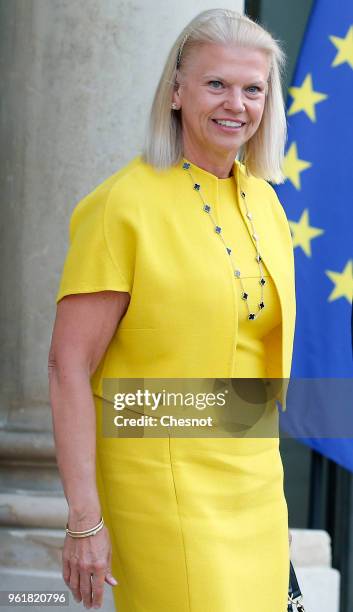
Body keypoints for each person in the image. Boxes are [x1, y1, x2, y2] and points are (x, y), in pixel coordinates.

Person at [48, 8, 296, 612]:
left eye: (252, 88)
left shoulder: (266, 203)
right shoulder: (120, 206)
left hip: (256, 477)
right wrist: (85, 519)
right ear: (178, 91)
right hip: (157, 485)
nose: (235, 103)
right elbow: (67, 366)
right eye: (216, 84)